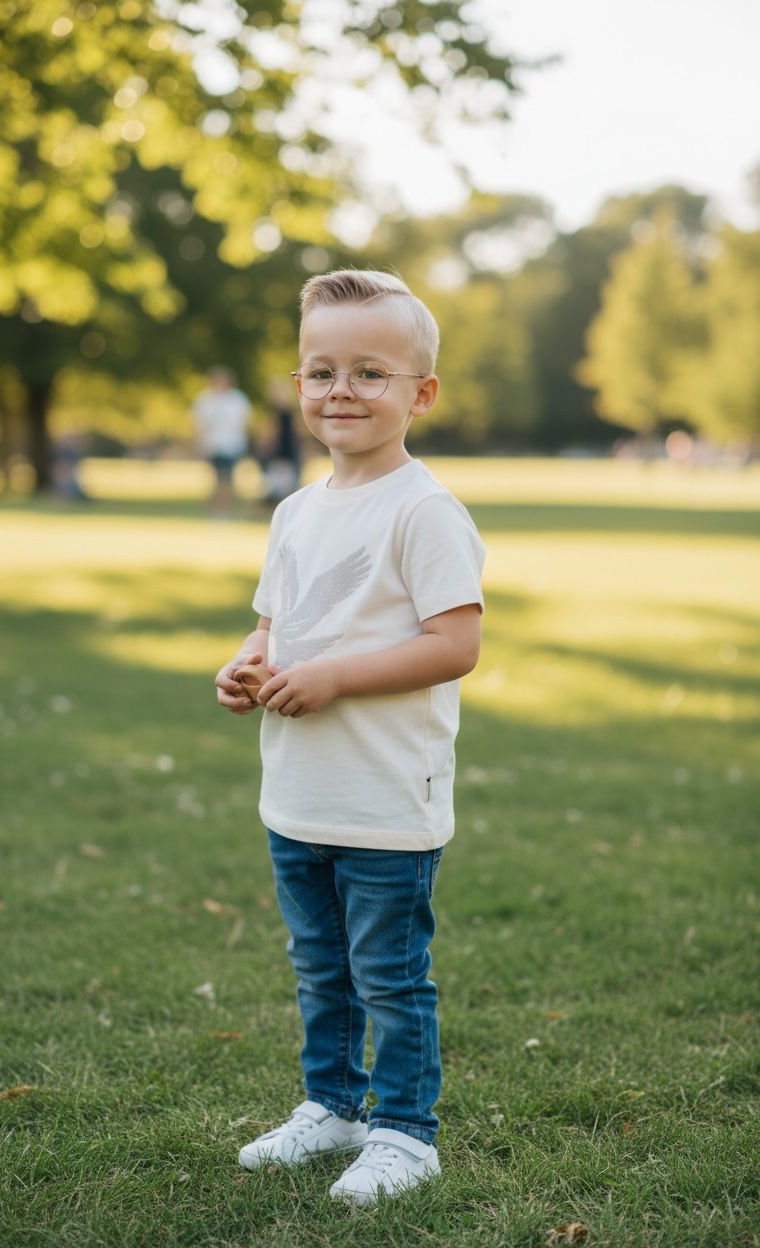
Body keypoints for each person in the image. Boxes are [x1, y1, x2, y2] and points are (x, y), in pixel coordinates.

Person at [215, 270, 486, 1208]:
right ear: (298, 385)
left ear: (421, 393)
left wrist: (333, 677)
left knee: (389, 977)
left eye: (370, 372)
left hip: (382, 799)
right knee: (319, 967)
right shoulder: (294, 510)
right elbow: (273, 624)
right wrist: (249, 663)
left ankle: (407, 1134)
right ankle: (332, 1107)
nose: (341, 391)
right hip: (298, 793)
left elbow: (456, 644)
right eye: (320, 370)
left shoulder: (424, 510)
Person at [192, 366, 251, 515]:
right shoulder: (205, 399)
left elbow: (244, 423)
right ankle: (216, 510)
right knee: (216, 479)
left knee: (227, 478)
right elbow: (200, 424)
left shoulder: (237, 399)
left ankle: (225, 509)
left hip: (232, 445)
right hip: (213, 445)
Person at [258, 379, 302, 506]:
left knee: (288, 487)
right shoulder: (275, 414)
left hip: (289, 453)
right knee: (276, 487)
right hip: (277, 454)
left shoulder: (290, 413)